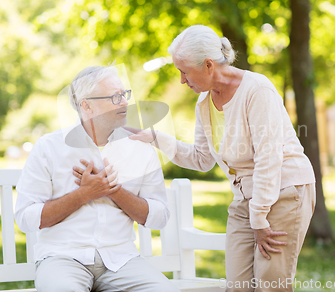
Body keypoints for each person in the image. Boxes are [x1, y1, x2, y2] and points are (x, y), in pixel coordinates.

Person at [126, 25, 316, 292]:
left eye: (184, 71)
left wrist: (259, 218)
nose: (182, 80)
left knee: (270, 285)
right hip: (245, 200)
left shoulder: (257, 90)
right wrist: (156, 138)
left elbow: (268, 157)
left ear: (208, 65)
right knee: (237, 287)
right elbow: (202, 159)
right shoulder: (204, 102)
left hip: (284, 191)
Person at [14, 65, 180, 292]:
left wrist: (113, 190)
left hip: (121, 260)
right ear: (86, 105)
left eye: (124, 94)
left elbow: (159, 217)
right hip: (63, 258)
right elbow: (26, 217)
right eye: (114, 97)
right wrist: (84, 194)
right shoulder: (49, 147)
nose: (124, 103)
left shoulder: (140, 149)